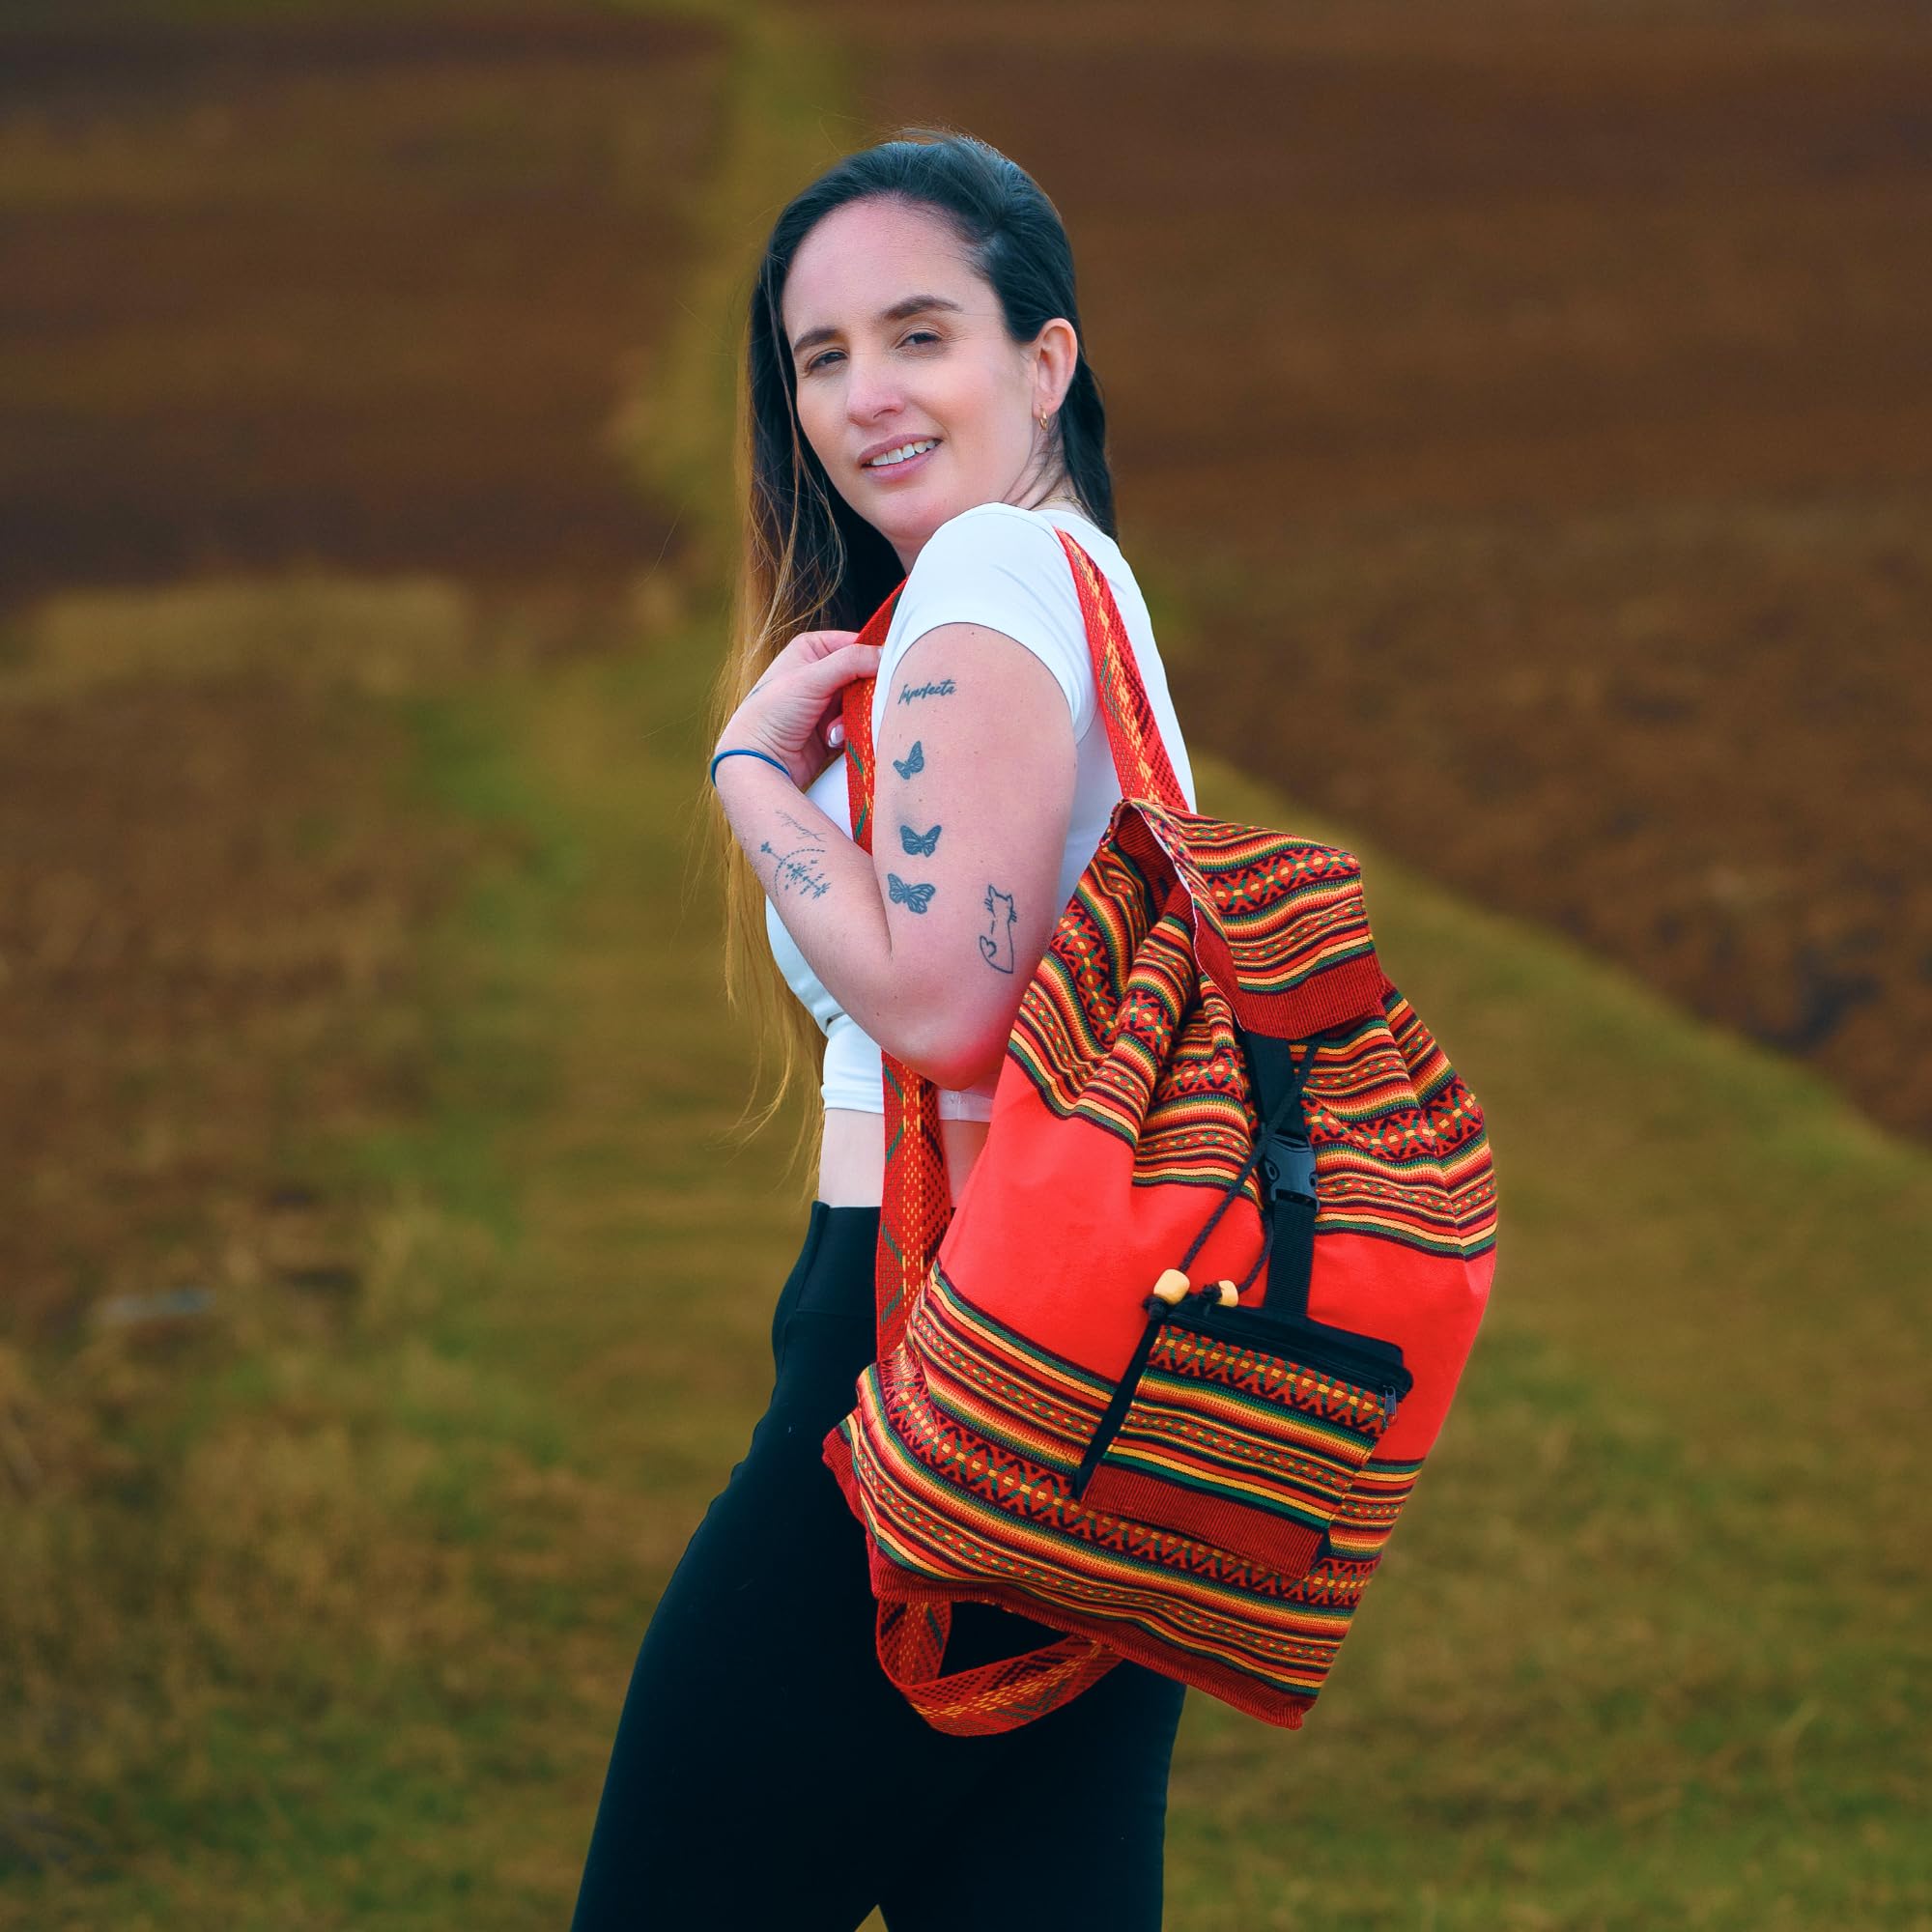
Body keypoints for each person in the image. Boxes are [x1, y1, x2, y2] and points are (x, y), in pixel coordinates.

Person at [570, 129, 1200, 1932]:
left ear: (1046, 359)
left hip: (932, 1334)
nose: (862, 396)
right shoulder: (1083, 578)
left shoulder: (989, 578)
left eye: (919, 335)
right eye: (819, 357)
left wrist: (754, 773)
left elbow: (942, 1004)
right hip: (1110, 1358)